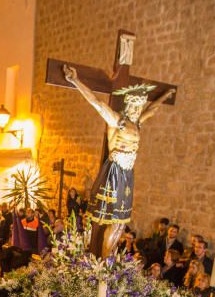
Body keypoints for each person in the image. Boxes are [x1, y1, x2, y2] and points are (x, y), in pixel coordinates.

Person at [61, 64, 176, 256]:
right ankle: (104, 261)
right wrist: (75, 80)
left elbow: (153, 109)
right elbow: (97, 103)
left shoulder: (137, 123)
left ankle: (108, 261)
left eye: (140, 106)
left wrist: (165, 95)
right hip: (115, 170)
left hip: (128, 173)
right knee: (111, 218)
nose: (138, 109)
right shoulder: (118, 121)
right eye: (136, 106)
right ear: (129, 106)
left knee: (121, 222)